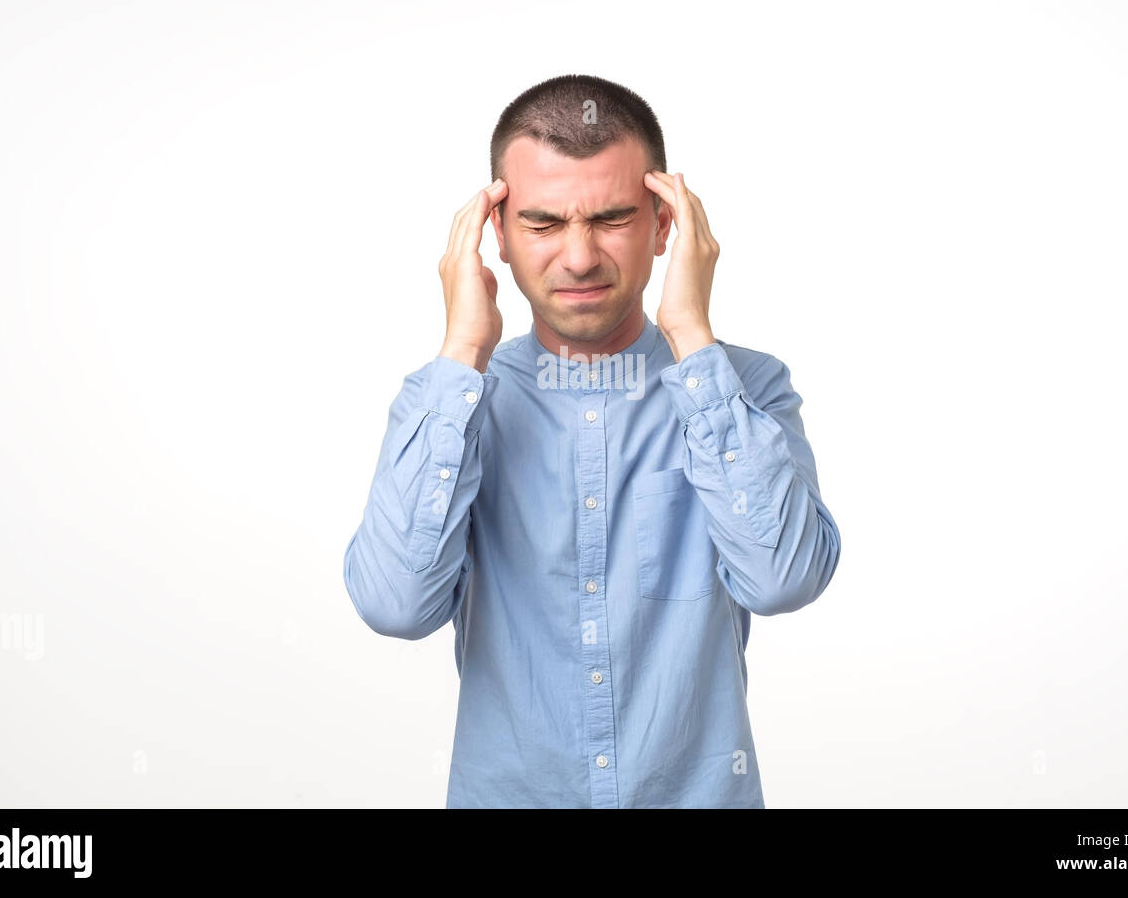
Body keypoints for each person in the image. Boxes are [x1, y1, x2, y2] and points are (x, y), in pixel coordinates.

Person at [343, 73, 842, 808]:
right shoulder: (446, 402)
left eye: (611, 219)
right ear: (497, 238)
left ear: (666, 226)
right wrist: (462, 353)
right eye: (543, 224)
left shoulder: (745, 389)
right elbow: (396, 605)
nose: (578, 259)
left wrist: (693, 341)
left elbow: (784, 580)